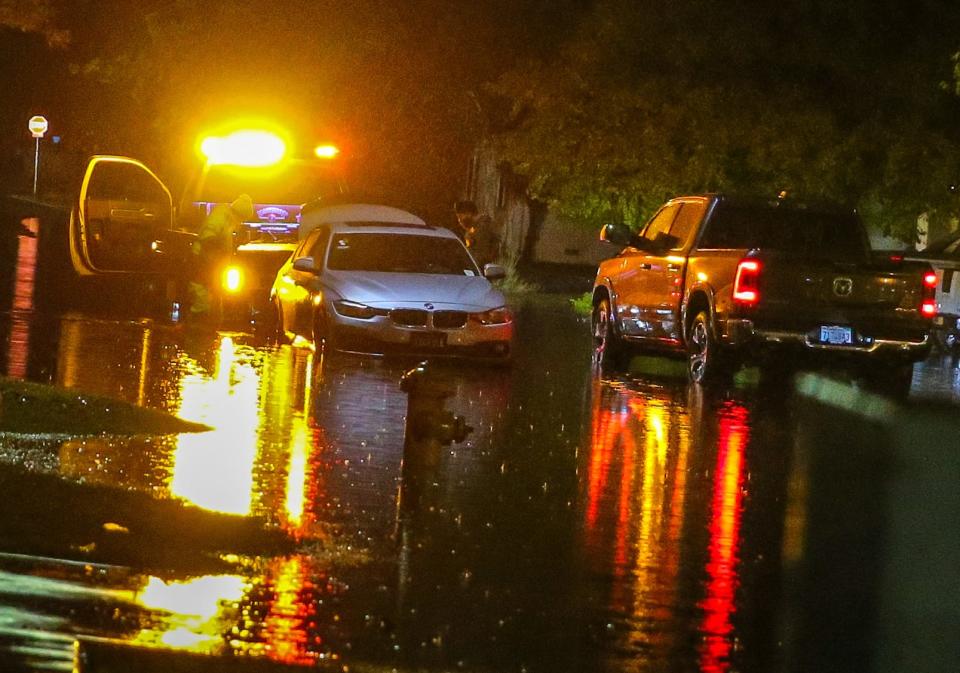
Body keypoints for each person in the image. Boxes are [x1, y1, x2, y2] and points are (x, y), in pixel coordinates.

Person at [187, 194, 255, 321]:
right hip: (203, 261)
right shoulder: (220, 217)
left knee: (209, 297)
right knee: (201, 295)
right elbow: (208, 239)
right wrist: (217, 256)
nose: (241, 222)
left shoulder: (227, 220)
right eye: (242, 219)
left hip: (210, 263)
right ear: (239, 214)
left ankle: (201, 327)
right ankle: (197, 326)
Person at [454, 200, 501, 269]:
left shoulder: (483, 227)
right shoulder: (474, 228)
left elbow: (480, 254)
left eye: (460, 217)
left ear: (469, 213)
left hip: (481, 270)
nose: (459, 221)